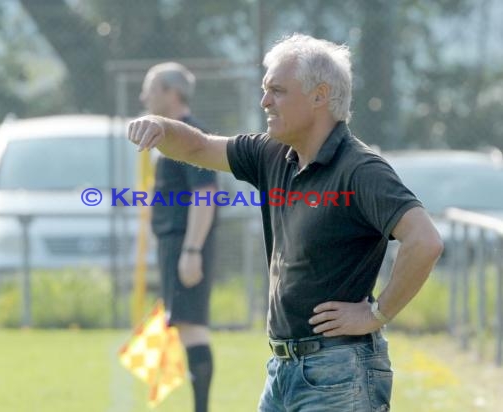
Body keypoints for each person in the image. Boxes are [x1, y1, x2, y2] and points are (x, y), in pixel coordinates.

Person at [129, 35, 443, 411]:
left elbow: (424, 241)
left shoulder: (361, 169)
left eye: (277, 91)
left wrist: (377, 314)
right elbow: (197, 146)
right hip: (282, 369)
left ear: (319, 95)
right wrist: (161, 127)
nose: (265, 102)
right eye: (265, 90)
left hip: (340, 372)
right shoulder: (271, 154)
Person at [140, 62, 217, 412]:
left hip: (185, 243)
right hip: (174, 243)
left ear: (172, 93)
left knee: (191, 328)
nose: (145, 96)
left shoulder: (188, 135)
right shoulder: (173, 135)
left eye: (151, 88)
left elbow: (206, 193)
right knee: (183, 325)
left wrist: (192, 249)